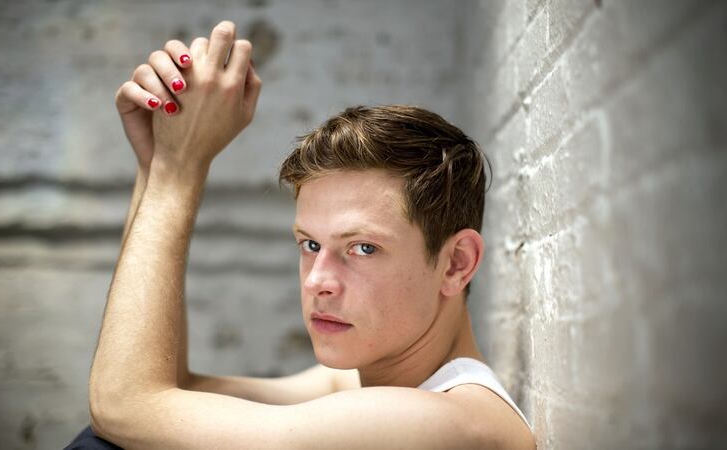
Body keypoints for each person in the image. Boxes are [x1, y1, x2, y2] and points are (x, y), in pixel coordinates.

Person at [70, 20, 536, 450]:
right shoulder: (366, 384)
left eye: (362, 247)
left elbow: (123, 407)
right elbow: (170, 390)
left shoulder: (452, 424)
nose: (317, 281)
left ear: (456, 264)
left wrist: (178, 170)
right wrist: (156, 161)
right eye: (311, 245)